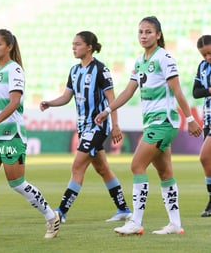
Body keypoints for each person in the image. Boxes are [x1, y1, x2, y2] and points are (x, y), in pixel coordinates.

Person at [95, 16, 202, 235]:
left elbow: (178, 91)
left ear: (158, 35)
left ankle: (136, 221)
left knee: (137, 166)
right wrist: (107, 110)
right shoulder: (139, 61)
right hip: (153, 122)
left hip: (163, 121)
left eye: (148, 32)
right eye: (141, 32)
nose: (144, 36)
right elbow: (127, 91)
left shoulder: (164, 58)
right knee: (165, 172)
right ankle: (175, 224)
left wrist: (190, 119)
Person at [0, 29, 60, 241]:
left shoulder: (14, 70)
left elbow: (15, 102)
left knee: (17, 183)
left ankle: (51, 216)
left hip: (10, 135)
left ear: (9, 47)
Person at [40, 31, 132, 224]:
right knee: (102, 168)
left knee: (77, 166)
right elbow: (66, 97)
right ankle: (123, 209)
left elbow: (112, 100)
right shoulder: (74, 71)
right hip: (83, 127)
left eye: (78, 44)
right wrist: (50, 103)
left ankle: (61, 212)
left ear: (89, 47)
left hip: (97, 127)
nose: (74, 47)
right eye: (73, 44)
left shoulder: (100, 69)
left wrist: (115, 125)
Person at [193, 35, 211, 217]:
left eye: (210, 53)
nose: (207, 58)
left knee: (204, 157)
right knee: (208, 161)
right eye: (203, 55)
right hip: (207, 118)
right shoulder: (203, 67)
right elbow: (196, 92)